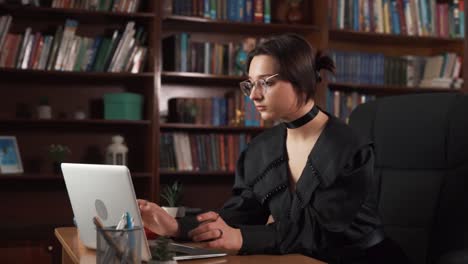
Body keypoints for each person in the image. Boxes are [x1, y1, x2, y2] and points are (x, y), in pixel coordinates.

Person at [138, 34, 409, 264]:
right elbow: (239, 214)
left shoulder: (351, 147)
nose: (254, 94)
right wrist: (176, 226)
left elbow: (319, 231)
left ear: (300, 79)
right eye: (250, 84)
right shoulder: (260, 148)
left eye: (266, 82)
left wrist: (242, 237)